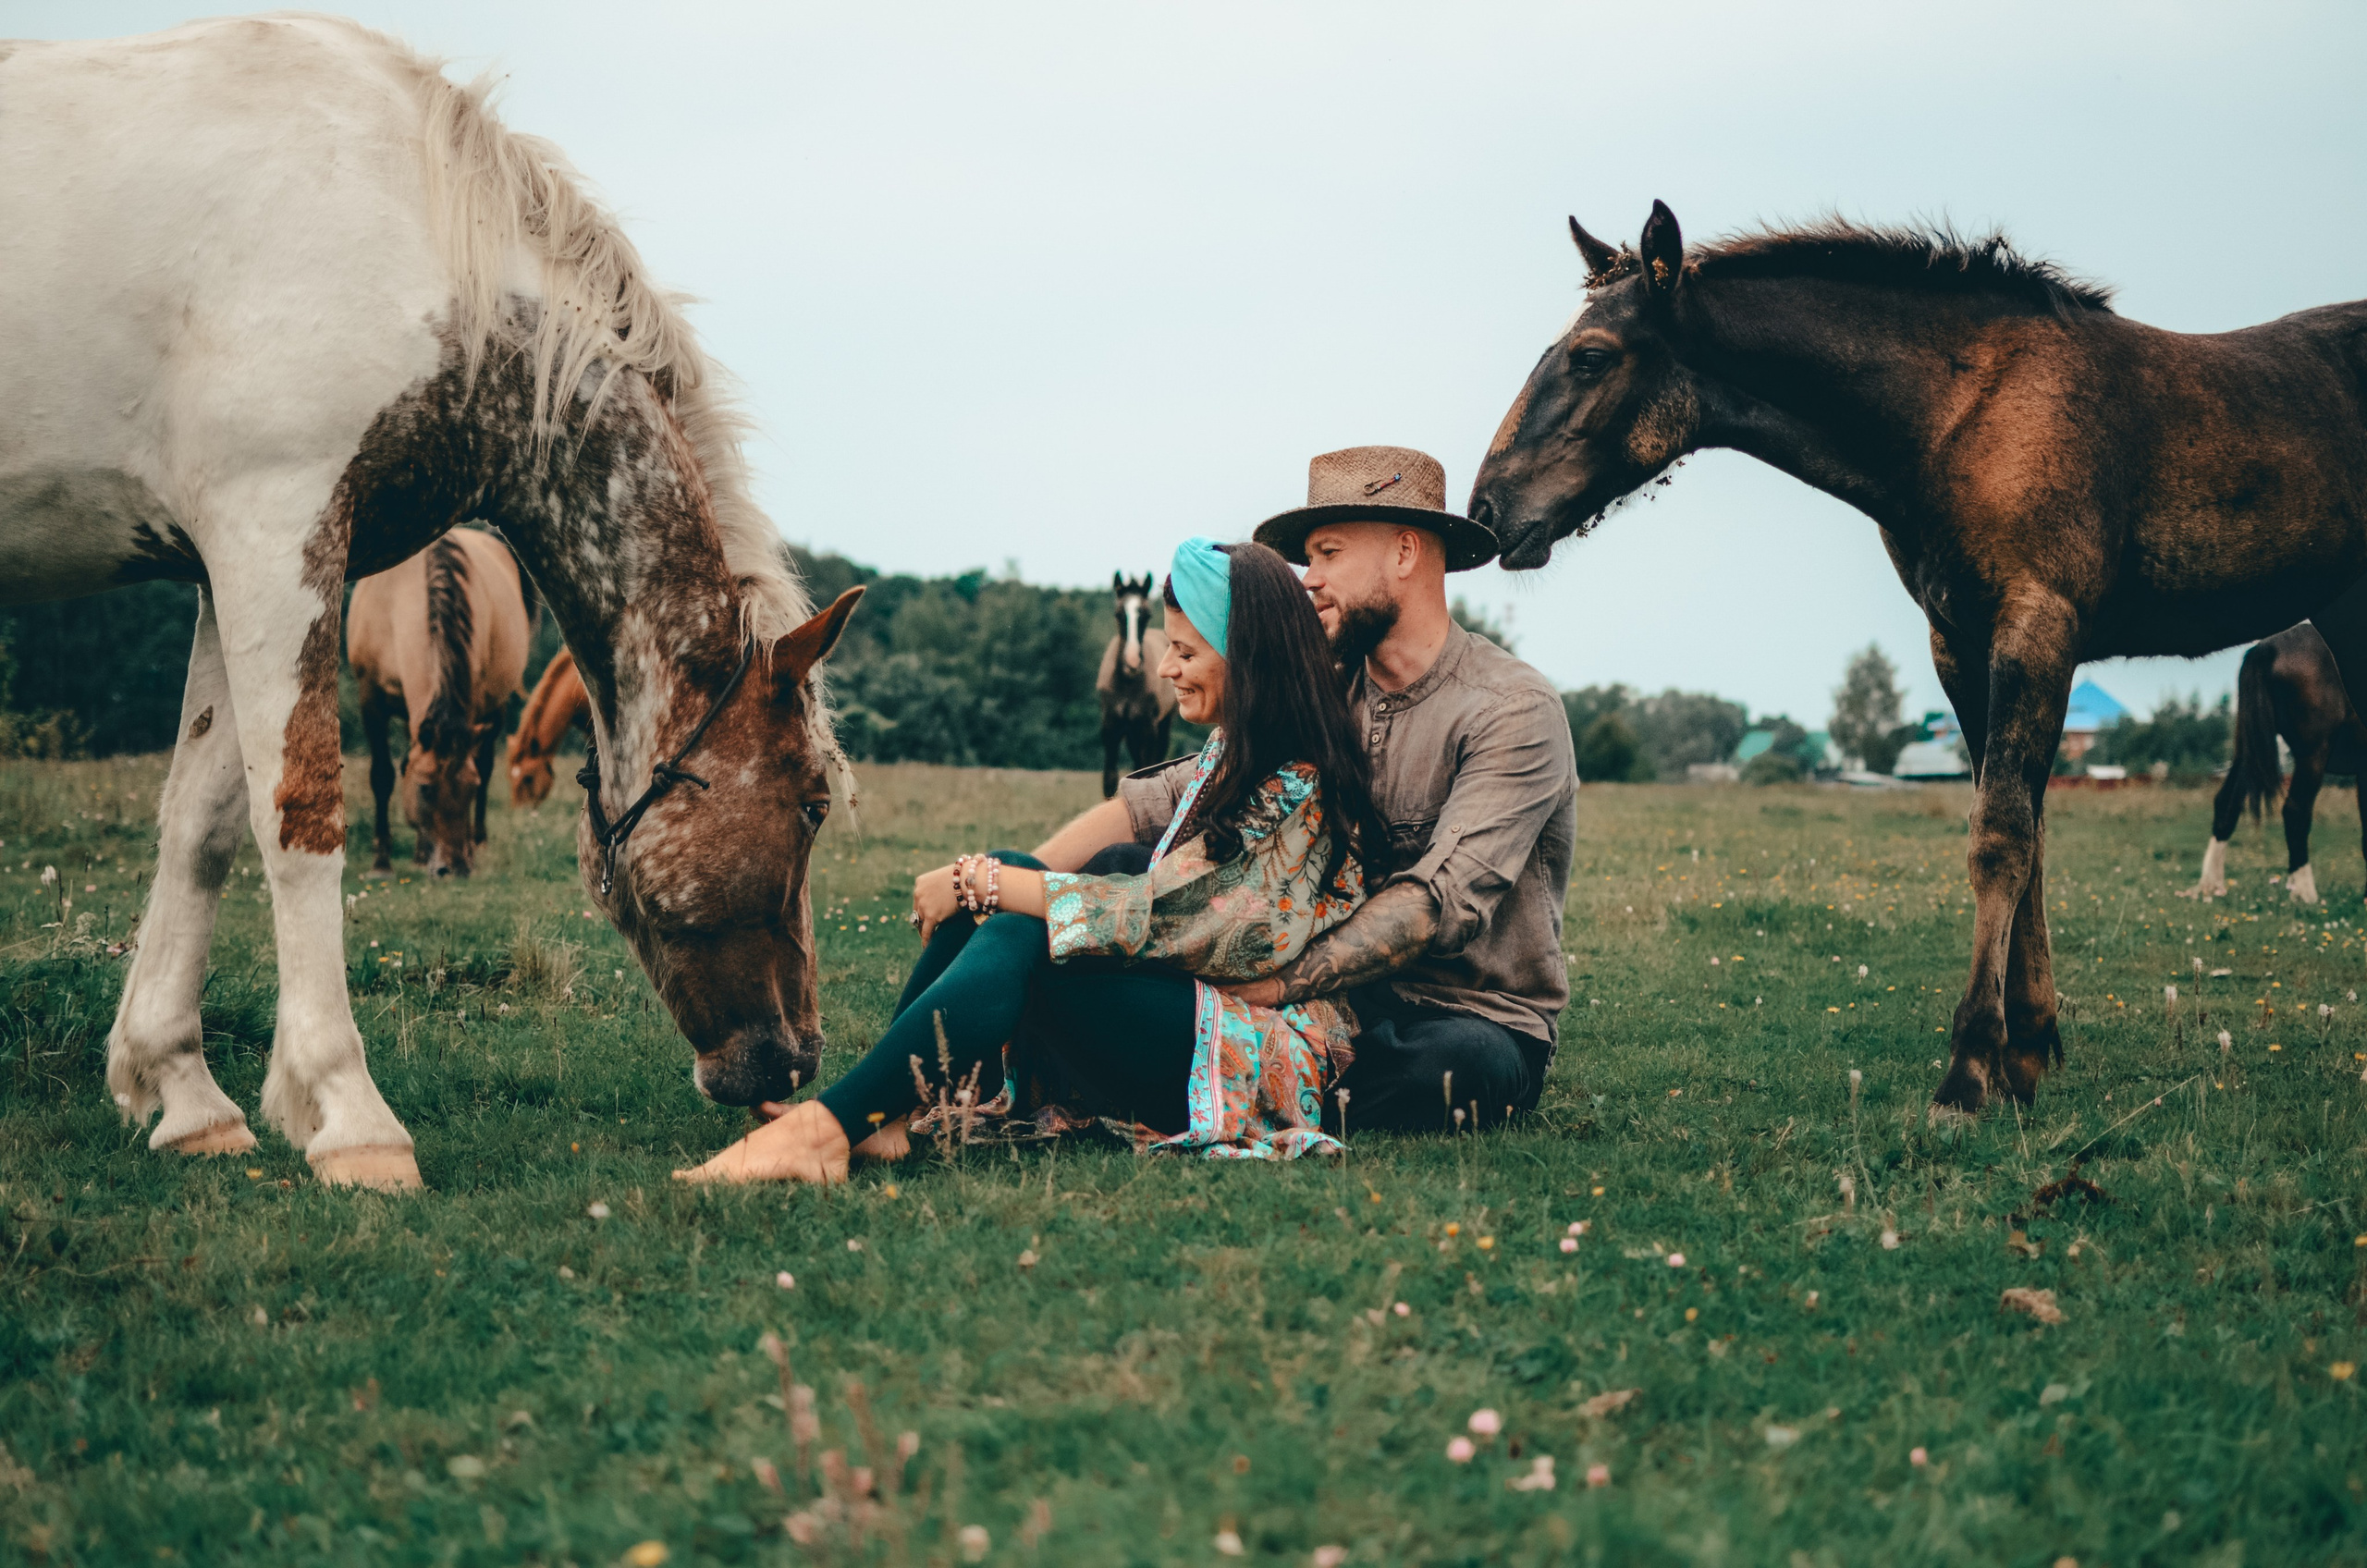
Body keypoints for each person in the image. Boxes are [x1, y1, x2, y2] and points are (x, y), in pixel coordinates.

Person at [673, 537, 1392, 1183]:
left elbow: (1178, 918)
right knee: (1008, 888)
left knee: (1015, 915)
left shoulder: (1302, 781)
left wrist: (981, 881)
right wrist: (995, 877)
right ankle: (881, 1118)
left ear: (1249, 657)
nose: (1165, 667)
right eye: (1168, 647)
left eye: (1186, 650)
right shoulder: (1236, 752)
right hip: (1197, 1014)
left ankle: (828, 1131)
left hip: (1259, 1057)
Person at [1031, 446, 1576, 1133]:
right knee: (1120, 868)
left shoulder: (1510, 709)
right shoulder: (1325, 683)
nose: (1309, 580)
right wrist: (1022, 877)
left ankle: (1181, 1074)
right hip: (1325, 1001)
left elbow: (1438, 902)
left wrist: (1278, 986)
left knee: (1457, 1066)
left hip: (1458, 1012)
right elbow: (1172, 794)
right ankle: (1211, 1071)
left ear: (1405, 552)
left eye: (1328, 554)